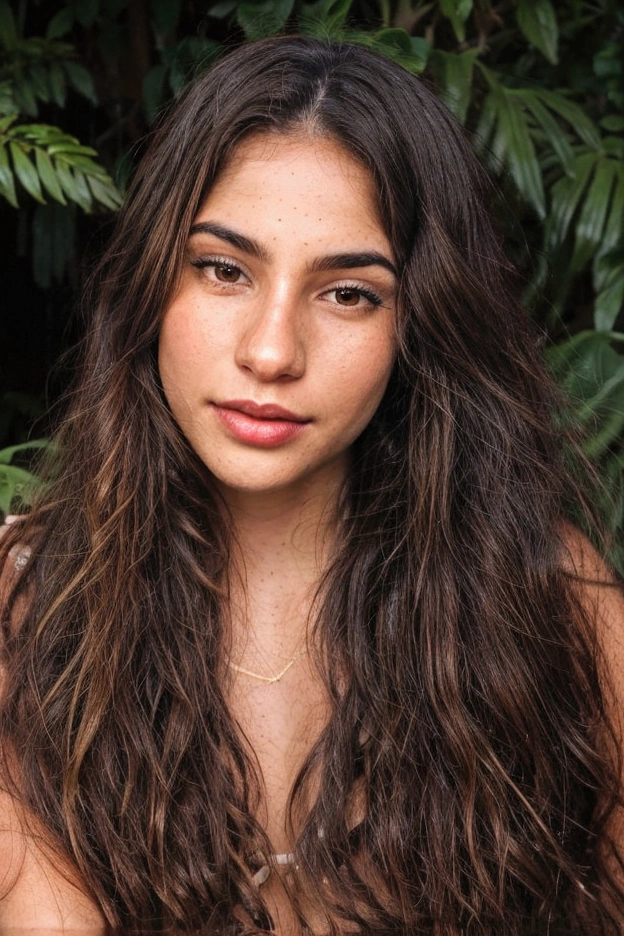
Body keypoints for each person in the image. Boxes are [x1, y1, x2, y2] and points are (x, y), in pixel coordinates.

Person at [1, 34, 623, 936]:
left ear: (422, 324)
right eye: (223, 270)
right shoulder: (31, 611)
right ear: (147, 283)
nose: (270, 351)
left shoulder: (548, 599)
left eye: (348, 294)